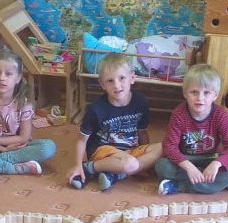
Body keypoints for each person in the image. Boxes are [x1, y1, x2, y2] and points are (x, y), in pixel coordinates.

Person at [68, 52, 161, 191]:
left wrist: (145, 156)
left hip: (129, 151)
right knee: (132, 164)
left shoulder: (141, 102)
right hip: (103, 151)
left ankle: (114, 175)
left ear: (132, 78)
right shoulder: (96, 108)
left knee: (164, 147)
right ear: (102, 84)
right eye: (109, 81)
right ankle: (88, 168)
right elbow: (82, 140)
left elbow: (142, 132)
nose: (117, 86)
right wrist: (77, 165)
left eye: (122, 78)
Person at [155, 63, 228, 195]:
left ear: (215, 95)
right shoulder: (179, 114)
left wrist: (217, 164)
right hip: (186, 158)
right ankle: (220, 183)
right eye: (194, 92)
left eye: (206, 93)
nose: (200, 98)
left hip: (211, 158)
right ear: (185, 93)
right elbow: (169, 146)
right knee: (162, 166)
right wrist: (188, 166)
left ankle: (180, 186)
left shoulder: (220, 115)